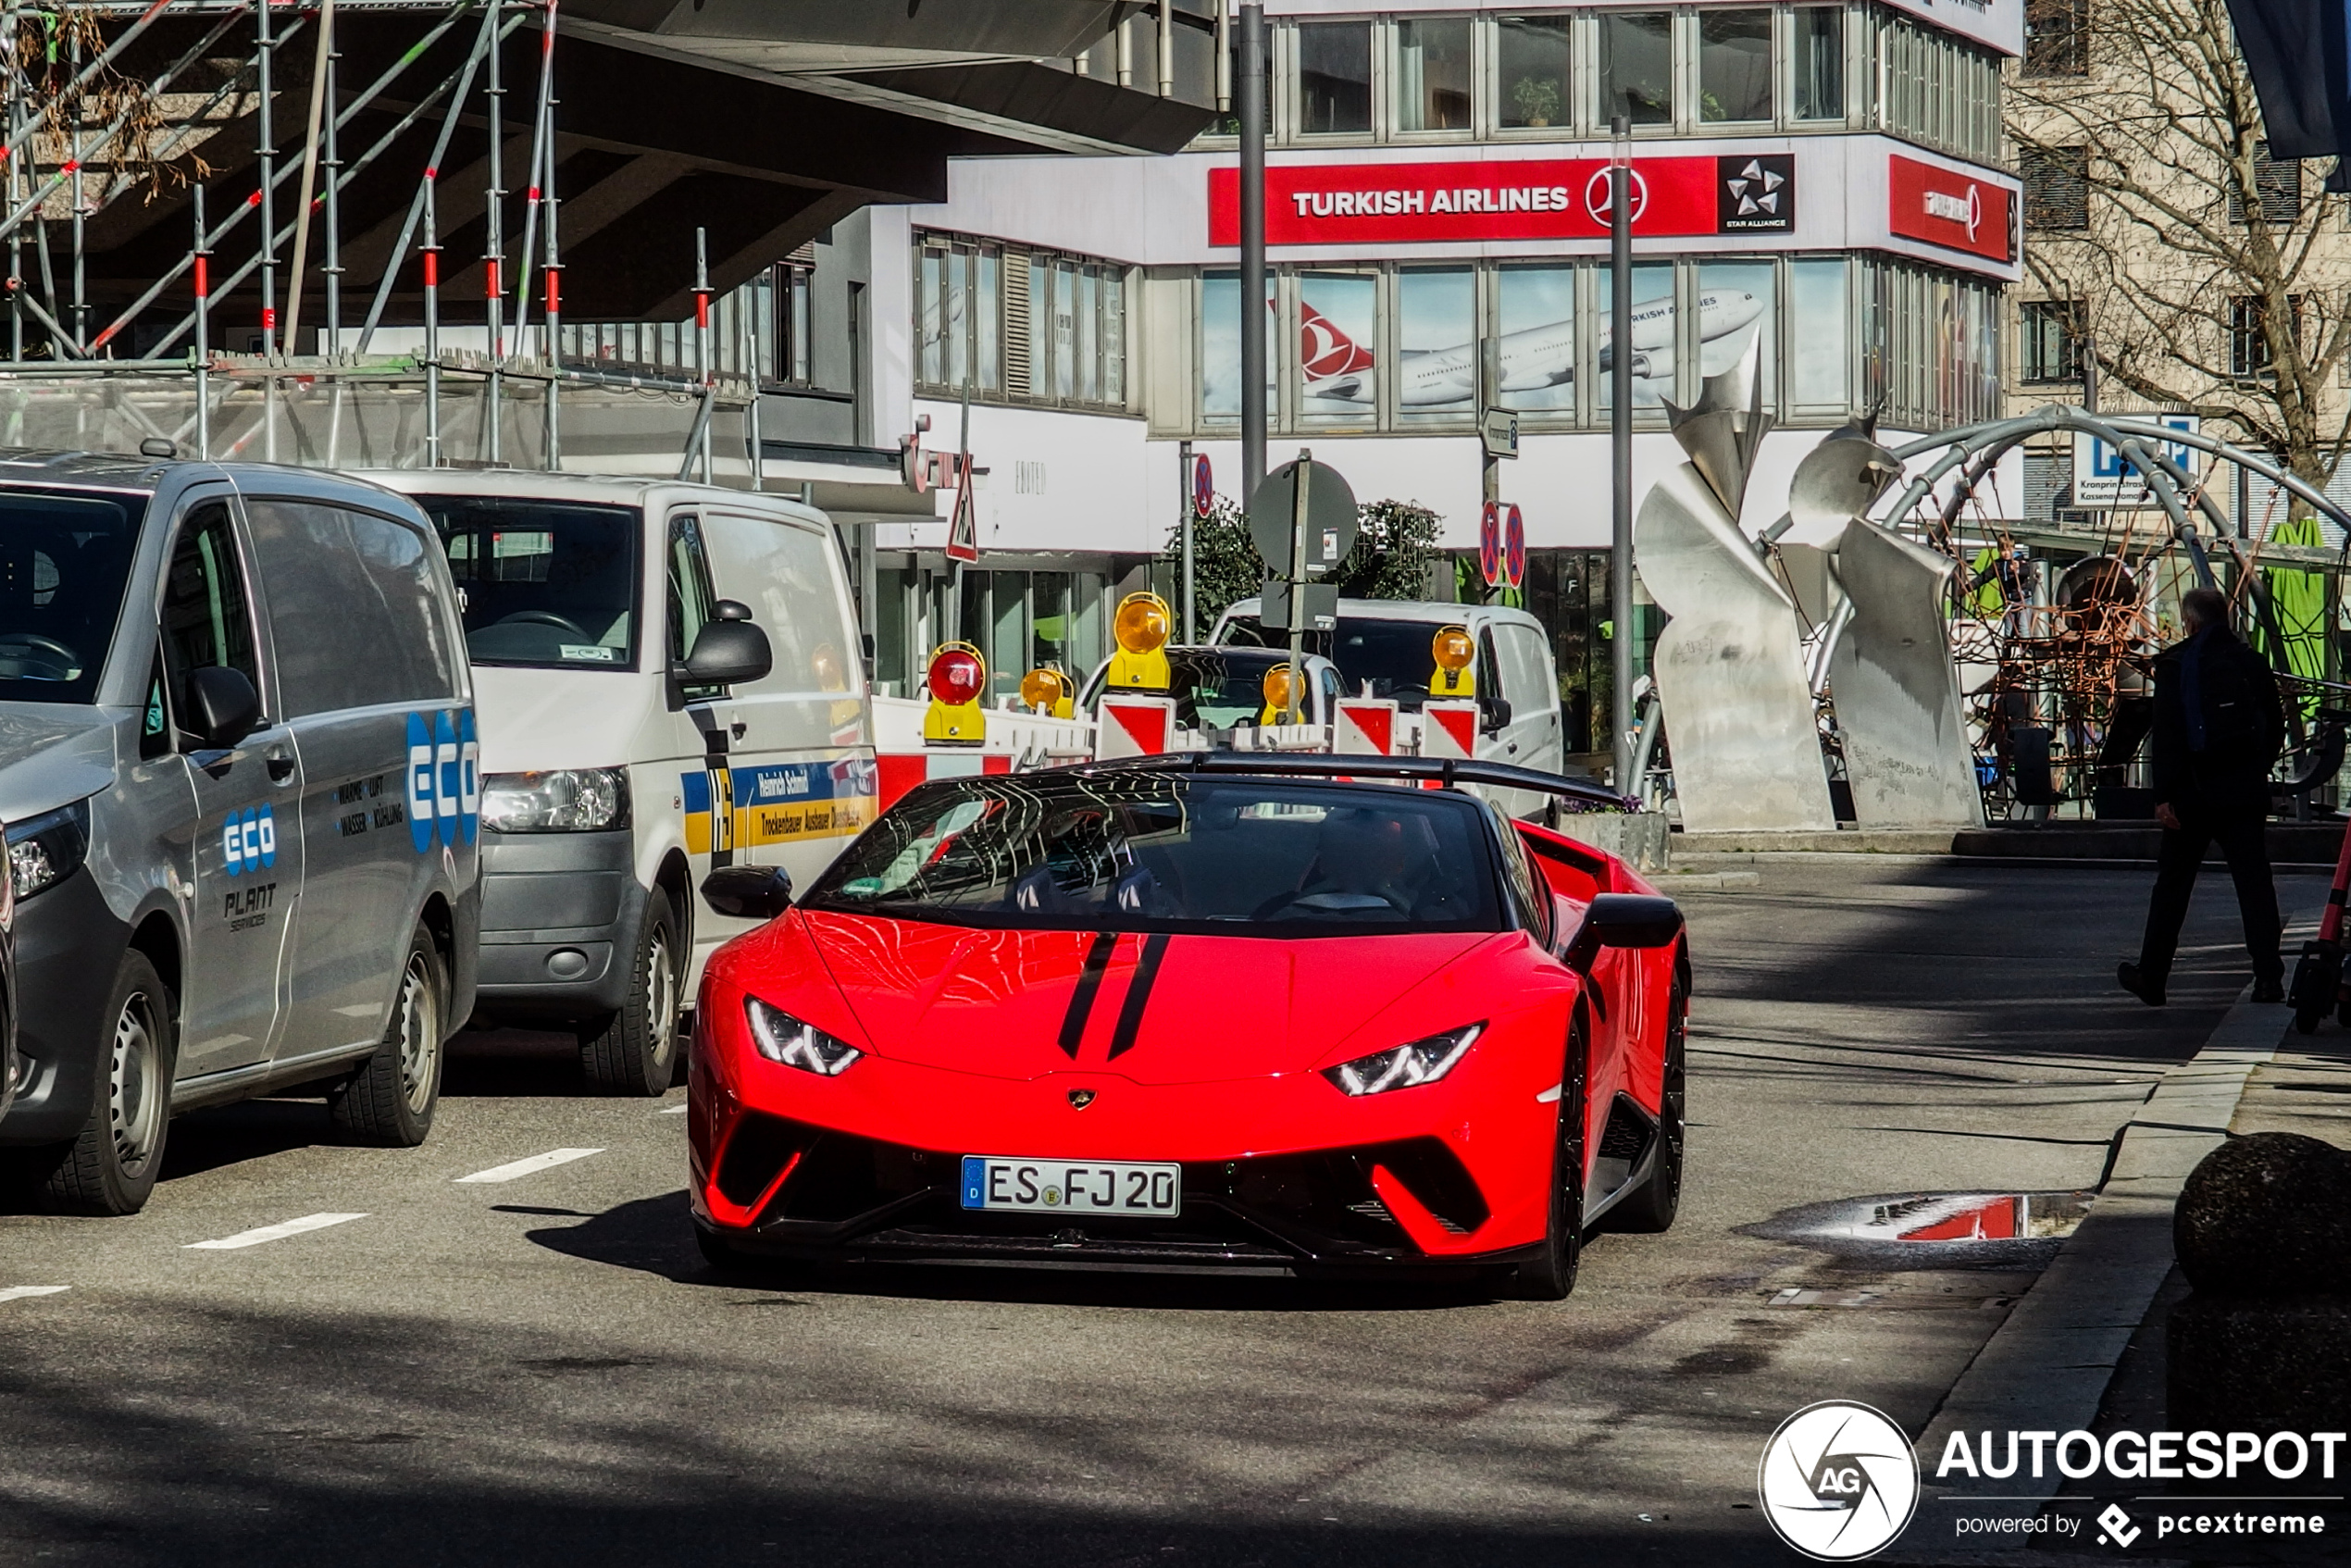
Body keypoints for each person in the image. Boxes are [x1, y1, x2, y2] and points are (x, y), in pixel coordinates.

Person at [2119, 586, 2285, 1006]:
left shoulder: (2177, 666)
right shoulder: (2250, 661)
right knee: (2255, 885)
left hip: (2193, 794)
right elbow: (2275, 725)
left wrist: (2164, 795)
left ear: (2191, 622)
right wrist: (2255, 768)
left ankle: (2152, 976)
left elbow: (2169, 737)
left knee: (2173, 885)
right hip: (2243, 792)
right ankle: (2268, 978)